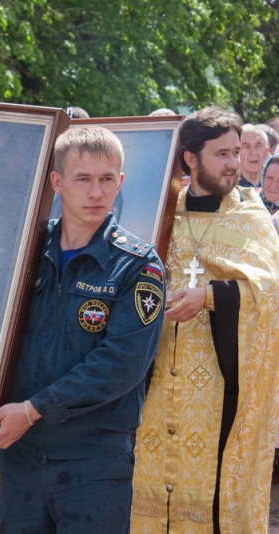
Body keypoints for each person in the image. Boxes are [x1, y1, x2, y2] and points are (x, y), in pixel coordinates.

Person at [0, 125, 165, 533]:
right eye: (83, 179)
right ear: (57, 182)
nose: (96, 192)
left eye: (107, 179)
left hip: (93, 467)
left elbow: (120, 365)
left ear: (120, 182)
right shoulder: (19, 255)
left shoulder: (138, 266)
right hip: (21, 463)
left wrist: (33, 411)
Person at [131, 106, 279, 532]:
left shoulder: (250, 217)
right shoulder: (161, 214)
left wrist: (212, 296)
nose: (234, 163)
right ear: (191, 159)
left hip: (219, 385)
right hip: (155, 381)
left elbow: (271, 292)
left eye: (237, 153)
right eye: (222, 154)